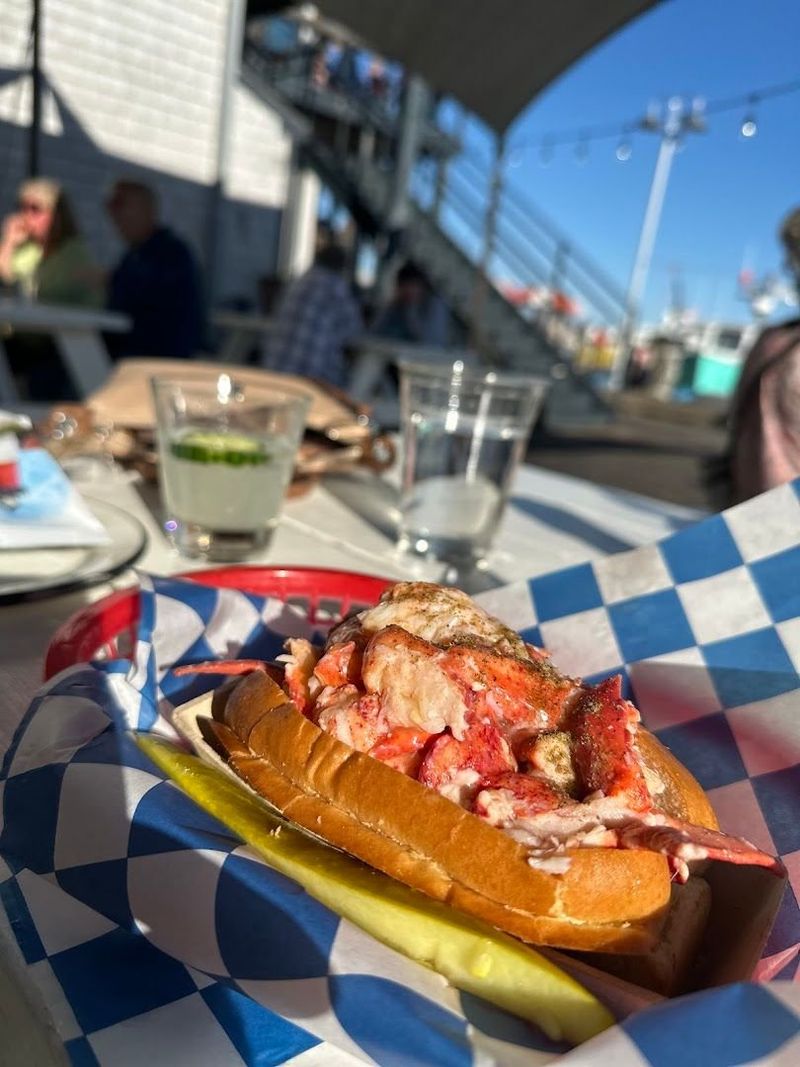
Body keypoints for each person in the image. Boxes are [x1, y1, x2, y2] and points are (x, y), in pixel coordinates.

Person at [724, 207, 800, 504]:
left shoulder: (771, 340)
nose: (790, 267)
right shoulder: (772, 340)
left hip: (758, 512)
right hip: (759, 512)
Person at [105, 179, 205, 359]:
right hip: (131, 350)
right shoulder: (135, 255)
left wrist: (109, 280)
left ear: (147, 212)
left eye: (124, 211)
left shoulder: (171, 253)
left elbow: (139, 297)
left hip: (156, 356)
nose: (118, 221)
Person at [261, 244, 362, 387]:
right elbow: (355, 332)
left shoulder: (299, 281)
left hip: (274, 369)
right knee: (351, 381)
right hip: (311, 377)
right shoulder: (336, 287)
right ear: (341, 266)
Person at [0, 177, 102, 306]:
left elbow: (50, 296)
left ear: (57, 214)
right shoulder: (27, 248)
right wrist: (9, 242)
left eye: (35, 209)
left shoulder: (73, 252)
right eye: (23, 207)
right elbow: (5, 279)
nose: (26, 215)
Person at [372, 261, 449, 347]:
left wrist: (412, 311)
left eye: (413, 285)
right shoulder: (394, 307)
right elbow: (375, 334)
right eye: (404, 286)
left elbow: (432, 343)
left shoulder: (435, 306)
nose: (409, 290)